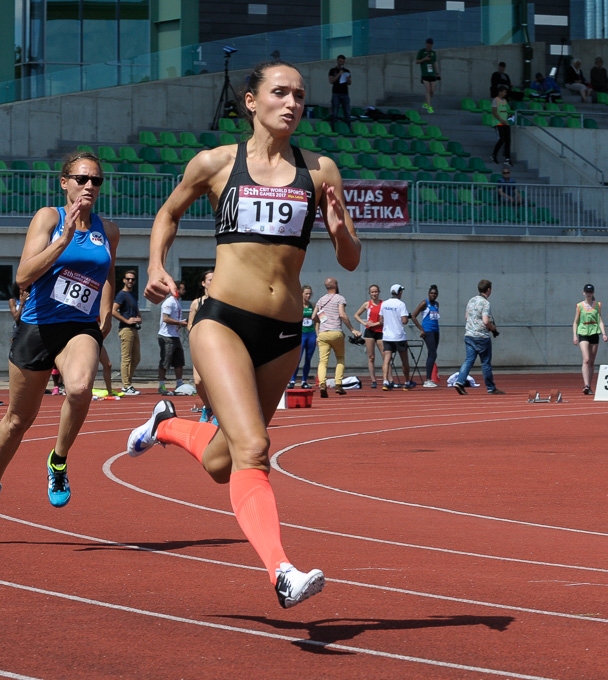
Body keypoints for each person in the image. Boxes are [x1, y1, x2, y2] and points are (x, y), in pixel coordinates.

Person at [125, 60, 361, 609]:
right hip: (223, 321)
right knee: (254, 448)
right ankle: (282, 570)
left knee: (222, 462)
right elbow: (168, 213)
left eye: (299, 94)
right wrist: (156, 264)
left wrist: (339, 230)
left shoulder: (321, 170)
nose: (292, 103)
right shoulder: (216, 163)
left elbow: (349, 258)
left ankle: (165, 426)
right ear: (251, 101)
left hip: (283, 334)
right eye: (280, 92)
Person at [0, 150, 120, 540]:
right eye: (82, 179)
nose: (89, 186)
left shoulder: (108, 229)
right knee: (17, 421)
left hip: (79, 327)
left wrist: (106, 310)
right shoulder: (48, 218)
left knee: (80, 388)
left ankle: (58, 460)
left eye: (96, 180)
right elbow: (23, 276)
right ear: (65, 182)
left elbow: (108, 272)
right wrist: (63, 241)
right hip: (38, 326)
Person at [454, 279, 503, 395]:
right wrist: (493, 328)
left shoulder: (471, 300)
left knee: (468, 360)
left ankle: (459, 381)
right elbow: (486, 321)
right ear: (488, 290)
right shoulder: (486, 303)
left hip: (469, 334)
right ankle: (491, 388)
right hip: (481, 336)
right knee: (485, 363)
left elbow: (466, 317)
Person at [315, 277, 362, 397]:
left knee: (323, 361)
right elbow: (342, 314)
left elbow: (313, 316)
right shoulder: (339, 298)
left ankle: (322, 384)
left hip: (323, 333)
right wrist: (352, 329)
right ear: (335, 285)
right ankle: (338, 384)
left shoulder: (321, 300)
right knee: (340, 358)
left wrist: (322, 323)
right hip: (336, 332)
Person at [188, 270, 216, 422]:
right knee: (198, 381)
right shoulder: (196, 303)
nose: (214, 282)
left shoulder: (221, 302)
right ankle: (208, 406)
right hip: (200, 345)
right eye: (210, 279)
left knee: (215, 381)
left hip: (217, 346)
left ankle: (218, 412)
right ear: (203, 283)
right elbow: (190, 324)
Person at [573, 283, 608, 395]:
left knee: (592, 361)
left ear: (593, 293)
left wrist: (604, 333)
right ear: (584, 293)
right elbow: (575, 322)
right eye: (587, 292)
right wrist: (574, 335)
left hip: (594, 332)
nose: (589, 294)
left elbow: (600, 320)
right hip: (583, 332)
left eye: (590, 292)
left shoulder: (597, 305)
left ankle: (589, 385)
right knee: (586, 359)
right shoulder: (579, 306)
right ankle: (586, 385)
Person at [112, 269, 142, 395]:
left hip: (134, 329)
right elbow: (113, 310)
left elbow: (136, 309)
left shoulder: (133, 295)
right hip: (125, 329)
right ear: (124, 280)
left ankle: (128, 383)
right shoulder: (121, 295)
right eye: (128, 279)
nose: (130, 281)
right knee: (127, 358)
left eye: (132, 279)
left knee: (136, 358)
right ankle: (126, 385)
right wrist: (126, 320)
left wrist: (139, 317)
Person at [157, 281, 188, 395]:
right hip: (166, 336)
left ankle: (179, 384)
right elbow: (166, 318)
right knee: (165, 361)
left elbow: (175, 319)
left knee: (179, 361)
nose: (184, 291)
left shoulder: (177, 302)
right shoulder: (169, 302)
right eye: (182, 289)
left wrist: (182, 322)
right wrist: (179, 322)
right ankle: (161, 385)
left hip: (175, 336)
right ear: (176, 290)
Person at [378, 284, 410, 390]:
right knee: (404, 360)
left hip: (387, 336)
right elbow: (404, 321)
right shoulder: (401, 304)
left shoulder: (384, 304)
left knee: (386, 359)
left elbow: (381, 320)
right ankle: (407, 382)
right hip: (399, 336)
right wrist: (407, 318)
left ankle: (385, 381)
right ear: (399, 292)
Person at [354, 284, 384, 390]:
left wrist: (375, 324)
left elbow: (383, 320)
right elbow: (356, 315)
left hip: (380, 331)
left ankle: (387, 379)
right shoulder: (367, 304)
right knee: (371, 357)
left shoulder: (383, 304)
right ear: (369, 293)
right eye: (372, 292)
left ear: (378, 292)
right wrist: (364, 323)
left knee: (385, 356)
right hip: (370, 333)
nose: (374, 294)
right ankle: (373, 380)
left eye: (376, 292)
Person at [410, 284, 440, 387]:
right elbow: (413, 316)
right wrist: (421, 329)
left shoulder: (437, 304)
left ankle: (429, 378)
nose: (433, 295)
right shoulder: (424, 303)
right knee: (433, 354)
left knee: (431, 354)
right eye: (431, 293)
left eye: (435, 293)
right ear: (428, 294)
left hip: (436, 331)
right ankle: (427, 380)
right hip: (428, 331)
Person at [289, 285, 317, 389]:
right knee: (298, 358)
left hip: (311, 334)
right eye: (306, 294)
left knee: (308, 359)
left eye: (310, 294)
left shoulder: (313, 305)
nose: (308, 296)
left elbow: (318, 320)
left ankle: (304, 381)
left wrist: (317, 334)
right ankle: (292, 380)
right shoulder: (297, 305)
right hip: (301, 335)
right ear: (301, 294)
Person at [490, 84, 512, 166]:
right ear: (500, 92)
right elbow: (494, 112)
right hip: (498, 123)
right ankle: (494, 154)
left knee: (508, 140)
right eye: (504, 92)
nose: (505, 94)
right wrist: (500, 120)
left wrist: (508, 116)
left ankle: (507, 158)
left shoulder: (505, 101)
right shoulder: (495, 100)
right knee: (501, 139)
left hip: (506, 123)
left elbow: (506, 110)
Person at [416, 38, 439, 113]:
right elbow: (417, 61)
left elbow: (434, 63)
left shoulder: (433, 53)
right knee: (428, 89)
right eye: (428, 44)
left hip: (432, 74)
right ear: (426, 44)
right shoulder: (422, 51)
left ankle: (426, 103)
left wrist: (437, 72)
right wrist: (425, 59)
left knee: (432, 90)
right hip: (425, 74)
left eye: (431, 44)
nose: (429, 45)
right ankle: (429, 106)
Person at [328, 55, 351, 125]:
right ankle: (334, 126)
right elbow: (331, 81)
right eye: (340, 61)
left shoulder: (347, 71)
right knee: (335, 111)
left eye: (343, 62)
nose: (342, 63)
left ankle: (348, 126)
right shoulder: (332, 70)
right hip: (336, 93)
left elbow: (349, 83)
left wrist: (348, 79)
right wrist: (339, 74)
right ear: (337, 61)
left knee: (347, 111)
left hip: (345, 93)